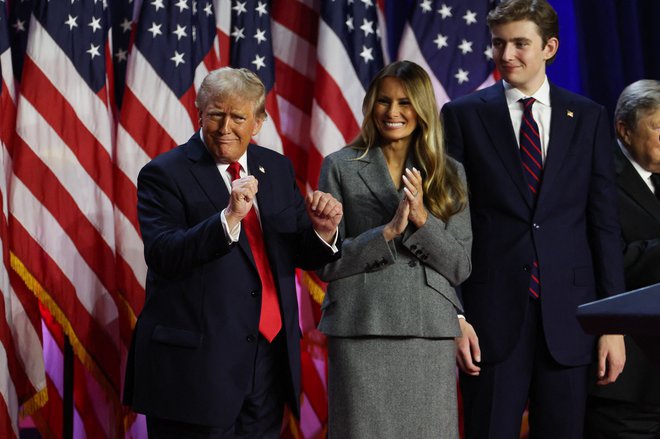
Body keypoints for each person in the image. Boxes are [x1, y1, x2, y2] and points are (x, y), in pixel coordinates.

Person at [122, 67, 343, 439]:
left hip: (268, 363)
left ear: (258, 122)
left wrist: (323, 230)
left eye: (238, 117)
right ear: (199, 114)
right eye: (215, 114)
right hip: (196, 370)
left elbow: (297, 250)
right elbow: (163, 253)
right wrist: (228, 219)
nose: (226, 127)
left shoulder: (275, 167)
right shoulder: (164, 174)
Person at [440, 1, 626, 437]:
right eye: (499, 43)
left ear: (550, 47)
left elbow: (603, 224)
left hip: (571, 319)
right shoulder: (463, 115)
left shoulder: (588, 116)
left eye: (520, 43)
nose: (507, 55)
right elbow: (448, 224)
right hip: (489, 320)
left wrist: (612, 324)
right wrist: (456, 315)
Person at [317, 60, 472, 438]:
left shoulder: (449, 173)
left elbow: (459, 265)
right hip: (362, 325)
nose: (393, 112)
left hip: (427, 332)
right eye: (383, 101)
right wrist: (386, 233)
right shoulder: (339, 166)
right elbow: (327, 265)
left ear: (421, 109)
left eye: (404, 102)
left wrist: (421, 219)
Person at [585, 79, 660, 438]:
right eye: (658, 126)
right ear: (624, 130)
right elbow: (607, 260)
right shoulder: (597, 178)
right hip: (629, 380)